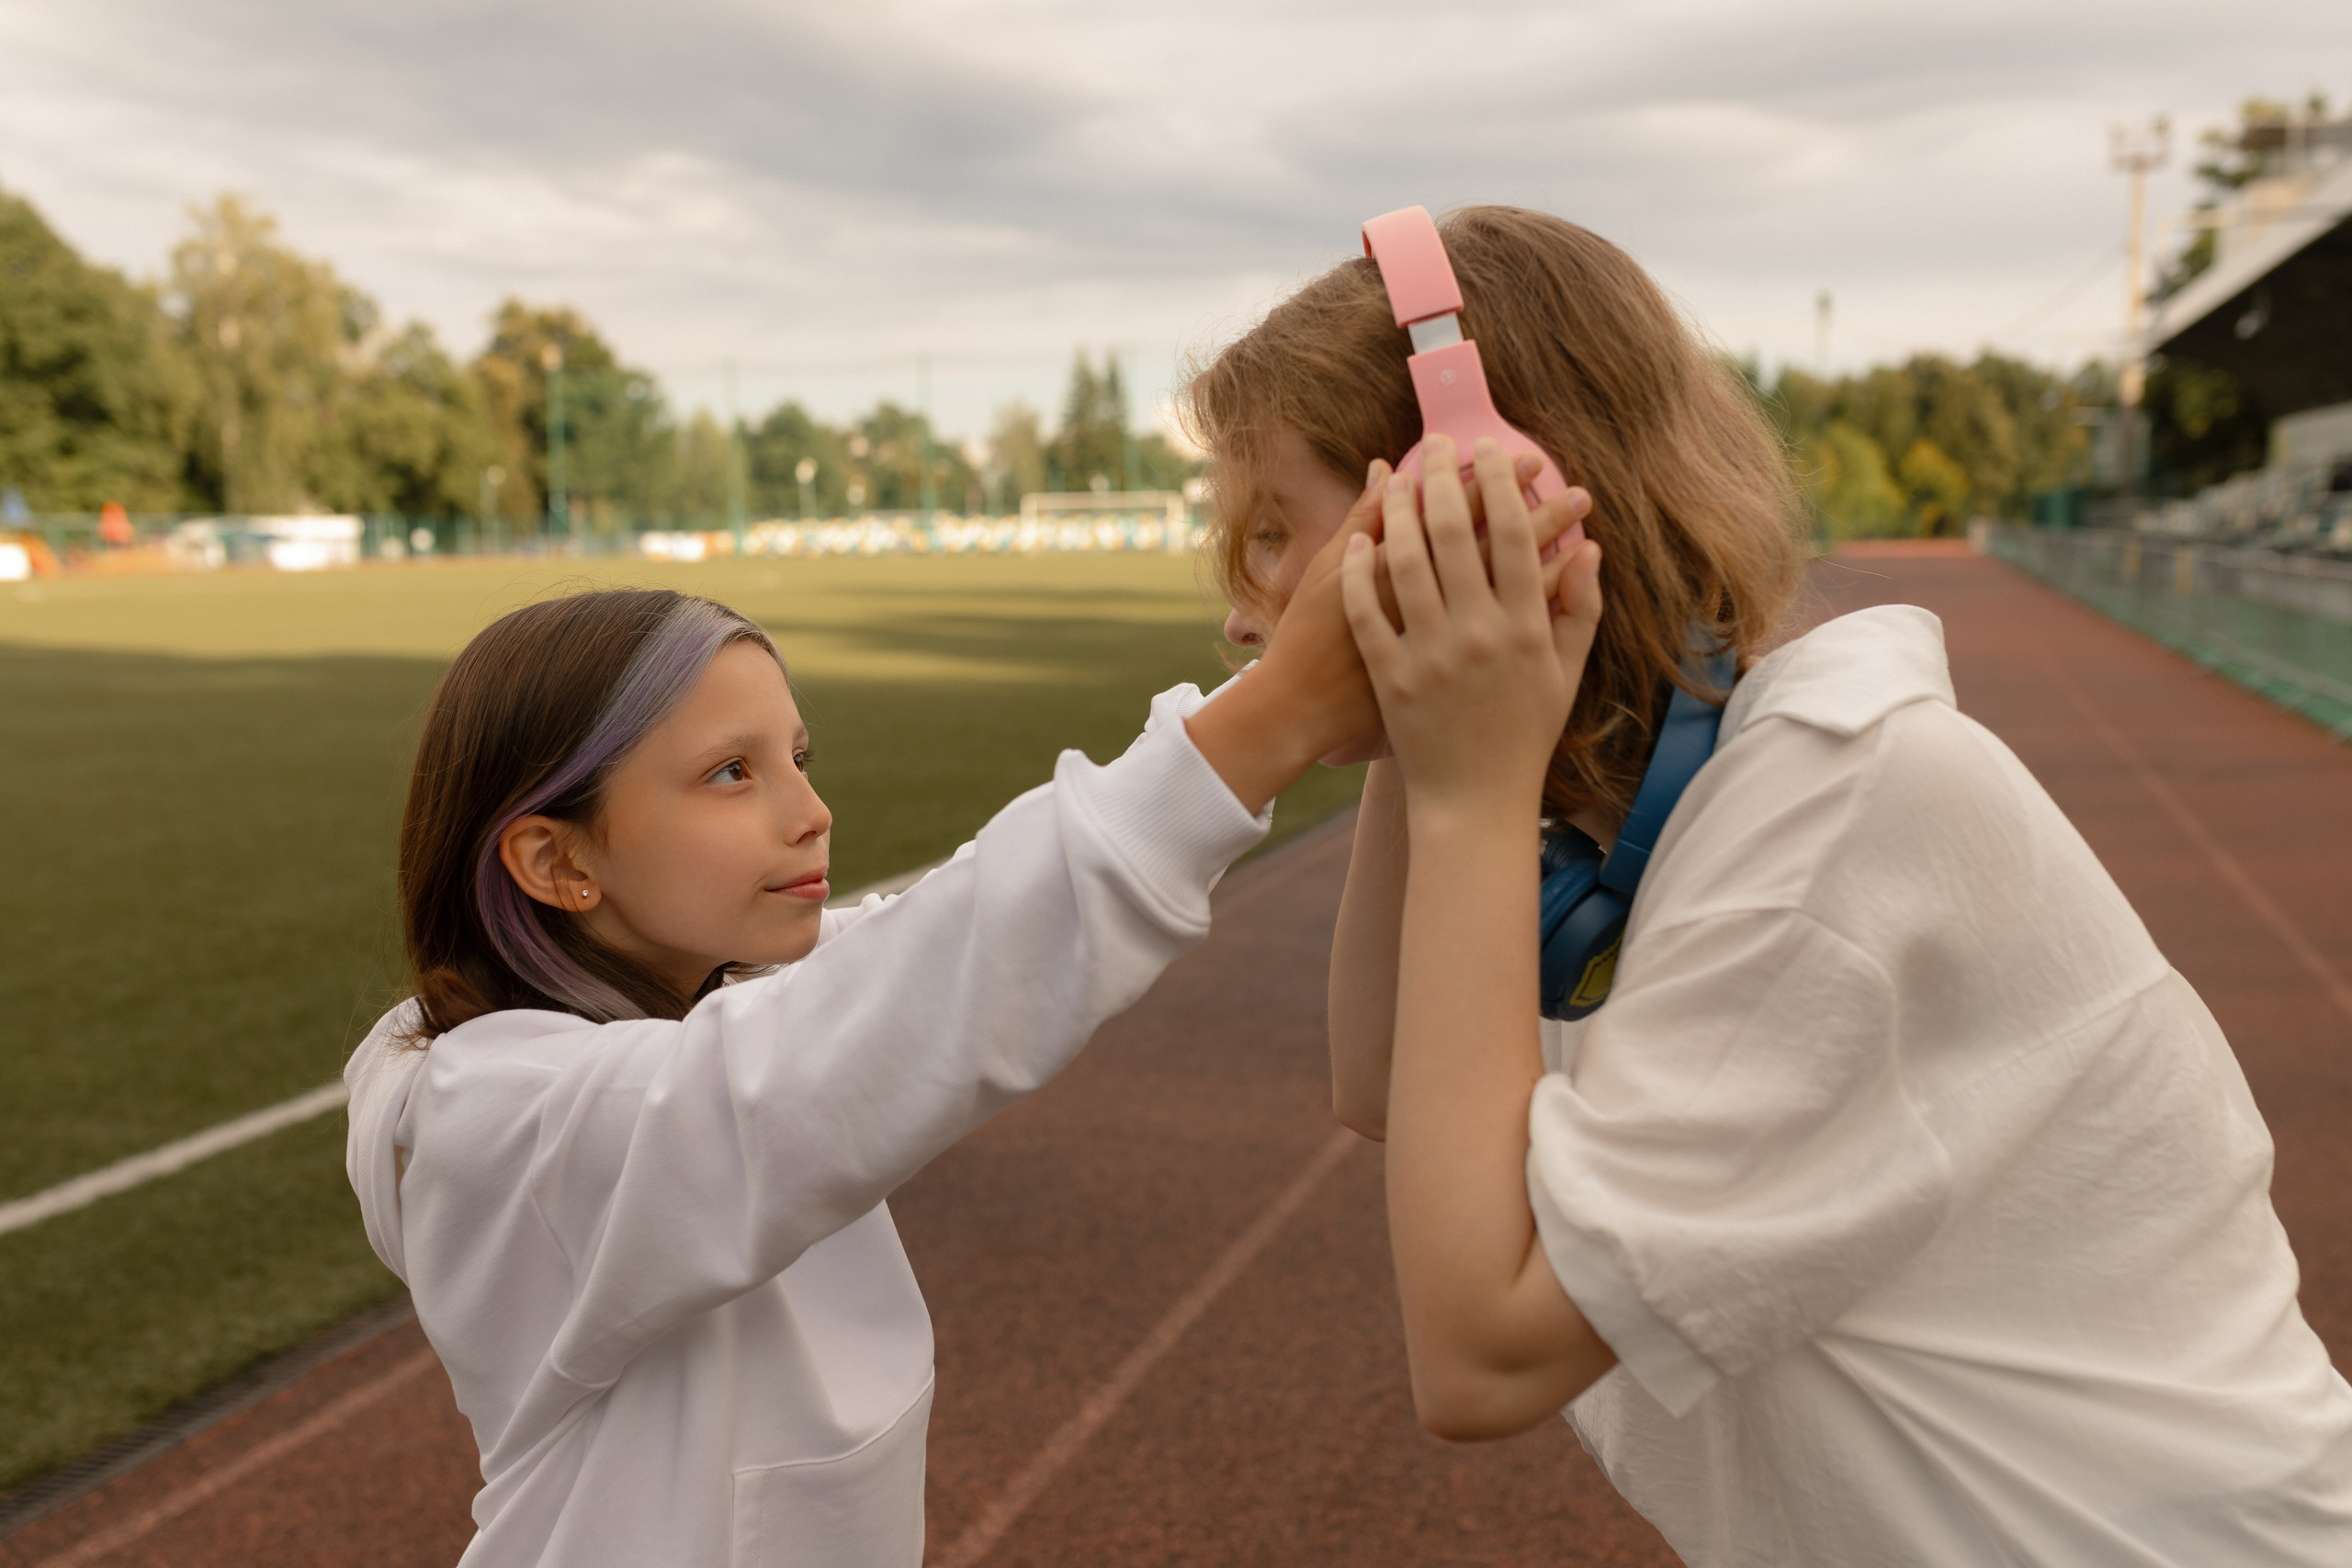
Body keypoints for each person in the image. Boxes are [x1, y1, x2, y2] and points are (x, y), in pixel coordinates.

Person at [1195, 205, 2352, 1563]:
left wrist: (1462, 771)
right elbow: (1381, 1077)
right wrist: (1421, 726)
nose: (1240, 604)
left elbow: (1482, 1352)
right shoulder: (1672, 805)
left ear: (1490, 493)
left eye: (1274, 530)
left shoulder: (1834, 806)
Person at [341, 565, 1406, 1567]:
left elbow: (937, 935)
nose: (810, 813)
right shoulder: (503, 1126)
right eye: (730, 773)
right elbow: (903, 1006)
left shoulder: (717, 1008)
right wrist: (1283, 708)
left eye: (797, 758)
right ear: (559, 860)